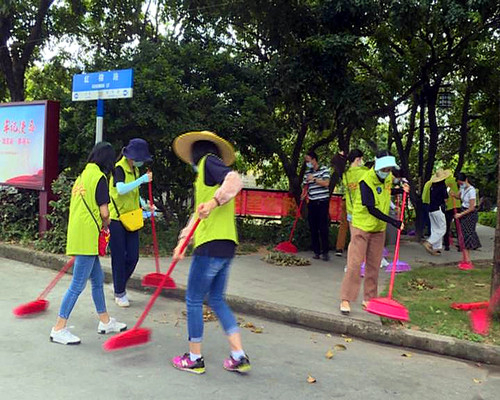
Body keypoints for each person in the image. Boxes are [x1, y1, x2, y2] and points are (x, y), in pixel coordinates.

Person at [171, 130, 250, 374]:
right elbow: (198, 214)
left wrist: (215, 202)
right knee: (215, 299)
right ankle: (238, 355)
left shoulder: (208, 163)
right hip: (226, 245)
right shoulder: (204, 180)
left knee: (194, 299)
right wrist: (182, 242)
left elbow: (235, 181)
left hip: (211, 246)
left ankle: (195, 357)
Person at [50, 142, 127, 345]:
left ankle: (105, 321)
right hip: (88, 237)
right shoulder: (100, 178)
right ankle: (59, 327)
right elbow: (104, 212)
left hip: (79, 234)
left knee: (97, 279)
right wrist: (108, 224)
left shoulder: (82, 177)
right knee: (77, 285)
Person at [339, 150, 409, 315]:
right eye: (384, 169)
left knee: (374, 265)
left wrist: (402, 190)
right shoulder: (365, 181)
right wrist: (394, 222)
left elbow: (389, 191)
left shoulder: (388, 178)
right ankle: (345, 299)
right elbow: (371, 208)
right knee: (355, 264)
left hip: (378, 229)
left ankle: (369, 299)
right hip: (361, 227)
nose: (387, 173)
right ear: (377, 167)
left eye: (389, 170)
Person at [108, 138, 153, 307]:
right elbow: (120, 189)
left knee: (133, 257)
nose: (142, 162)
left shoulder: (133, 169)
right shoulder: (119, 168)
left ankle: (117, 285)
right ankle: (120, 292)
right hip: (117, 219)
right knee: (119, 258)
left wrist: (144, 204)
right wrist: (142, 180)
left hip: (132, 218)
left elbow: (133, 192)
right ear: (132, 156)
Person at [334, 149, 368, 256]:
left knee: (354, 237)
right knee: (364, 237)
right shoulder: (364, 173)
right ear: (358, 159)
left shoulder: (346, 174)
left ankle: (349, 259)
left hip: (349, 207)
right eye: (361, 159)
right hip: (362, 209)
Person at [302, 151, 331, 261]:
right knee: (313, 227)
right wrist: (303, 194)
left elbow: (326, 183)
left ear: (314, 160)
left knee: (323, 227)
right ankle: (316, 251)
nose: (307, 163)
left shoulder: (324, 170)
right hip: (312, 202)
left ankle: (325, 252)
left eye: (308, 161)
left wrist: (313, 179)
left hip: (322, 202)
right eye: (306, 161)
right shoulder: (307, 173)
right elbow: (305, 186)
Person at [452, 173, 481, 261]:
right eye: (459, 183)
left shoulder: (472, 191)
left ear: (466, 180)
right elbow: (459, 196)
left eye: (461, 183)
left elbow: (472, 207)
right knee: (462, 234)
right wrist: (453, 195)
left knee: (467, 235)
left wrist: (460, 214)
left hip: (470, 214)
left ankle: (467, 259)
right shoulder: (463, 188)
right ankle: (465, 257)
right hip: (463, 210)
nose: (460, 184)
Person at [422, 169, 450, 255]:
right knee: (442, 229)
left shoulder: (432, 186)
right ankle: (429, 242)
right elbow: (445, 199)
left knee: (435, 229)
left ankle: (436, 248)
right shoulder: (442, 186)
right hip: (438, 209)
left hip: (431, 209)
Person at [443, 172, 461, 251]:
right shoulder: (456, 181)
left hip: (450, 206)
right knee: (459, 227)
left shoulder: (447, 181)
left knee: (447, 226)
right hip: (458, 205)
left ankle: (446, 245)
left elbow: (444, 191)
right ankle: (460, 245)